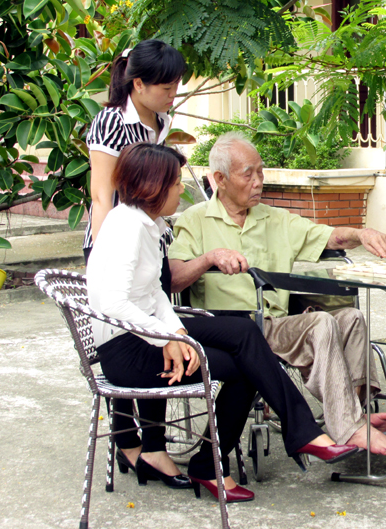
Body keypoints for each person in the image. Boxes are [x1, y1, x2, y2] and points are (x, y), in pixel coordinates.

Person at [87, 143, 358, 502]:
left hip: (147, 331)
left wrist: (180, 332)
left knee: (246, 336)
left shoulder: (147, 224)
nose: (181, 189)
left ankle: (298, 433)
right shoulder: (126, 227)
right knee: (248, 367)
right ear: (153, 186)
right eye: (174, 183)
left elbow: (156, 295)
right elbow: (114, 302)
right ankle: (216, 462)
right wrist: (166, 339)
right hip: (127, 350)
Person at [168, 132, 386, 456]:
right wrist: (208, 258)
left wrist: (361, 232)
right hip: (234, 330)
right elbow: (174, 278)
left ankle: (355, 414)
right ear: (220, 178)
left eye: (261, 171)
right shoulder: (195, 220)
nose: (259, 181)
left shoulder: (275, 219)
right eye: (249, 173)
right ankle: (350, 427)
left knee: (351, 318)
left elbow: (331, 238)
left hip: (278, 322)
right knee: (320, 324)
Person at [83, 39, 187, 483]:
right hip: (115, 240)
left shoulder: (160, 121)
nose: (172, 93)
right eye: (165, 86)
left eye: (176, 85)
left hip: (150, 240)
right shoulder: (110, 121)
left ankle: (156, 446)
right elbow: (102, 195)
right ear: (138, 83)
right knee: (123, 338)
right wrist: (111, 252)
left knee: (158, 336)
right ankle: (130, 444)